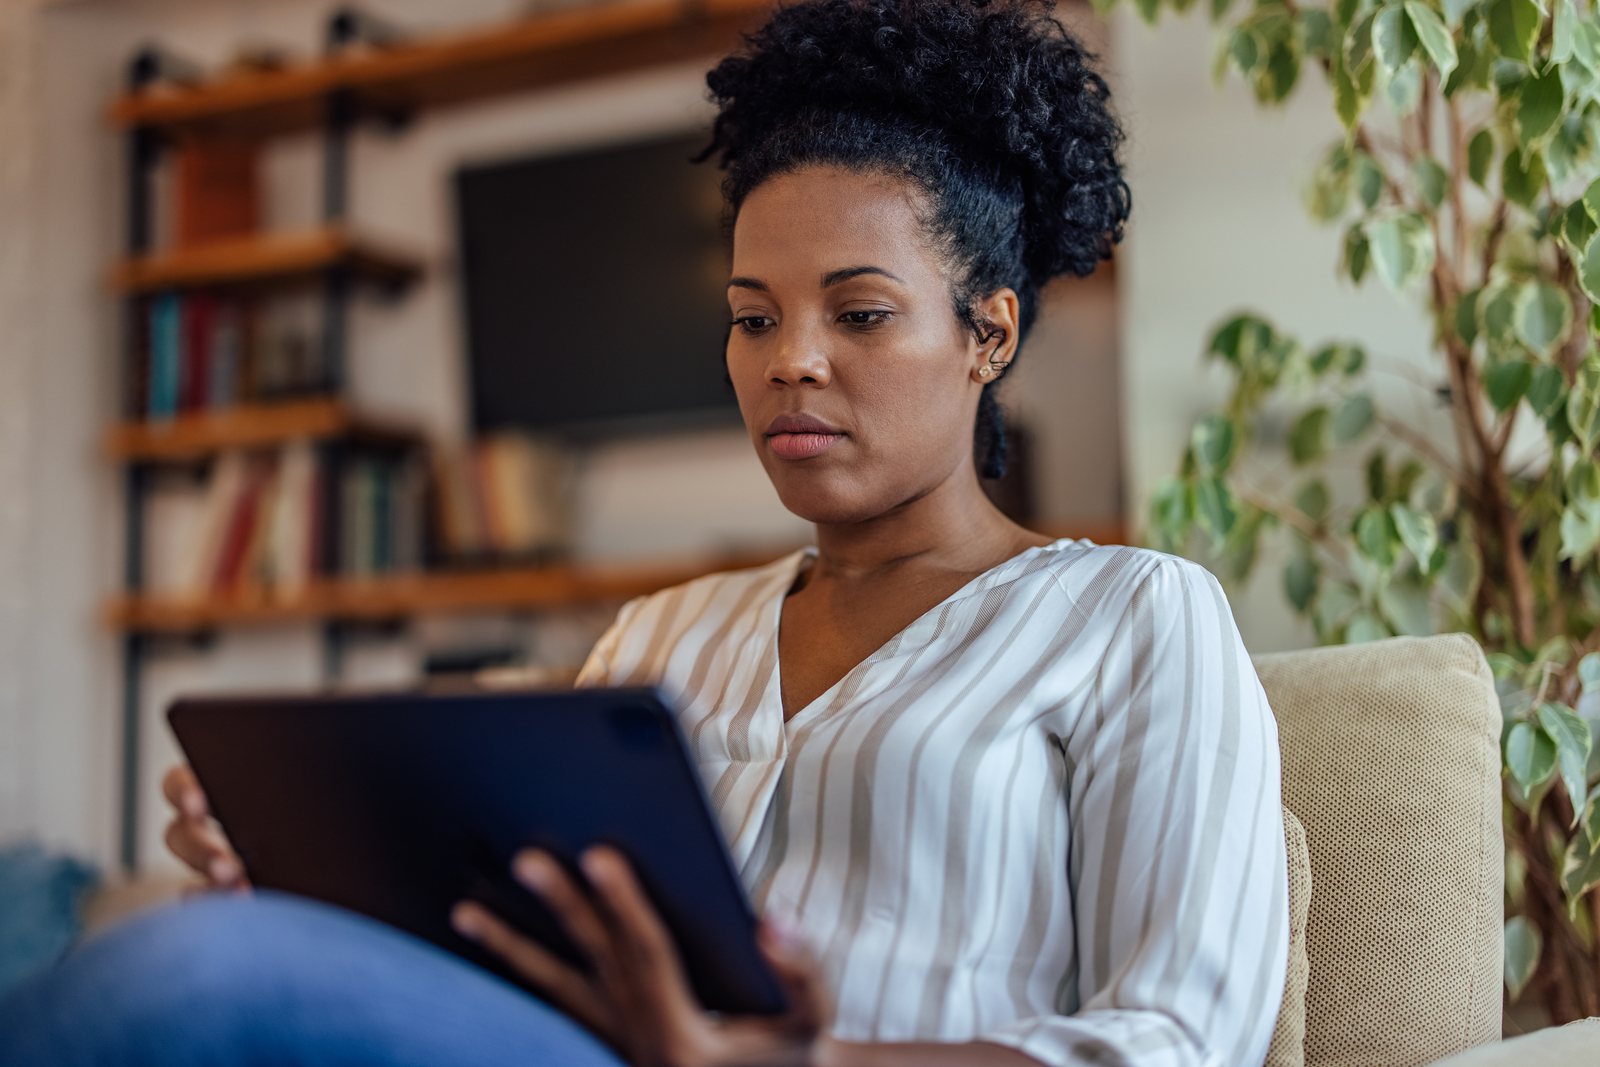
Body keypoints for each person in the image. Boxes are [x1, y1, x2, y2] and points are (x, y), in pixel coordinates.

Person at [0, 0, 1289, 1064]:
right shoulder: (658, 637)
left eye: (859, 314)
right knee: (199, 948)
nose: (791, 362)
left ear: (988, 333)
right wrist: (305, 870)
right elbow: (518, 941)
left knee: (190, 975)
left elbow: (1181, 1038)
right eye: (753, 317)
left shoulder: (1134, 617)